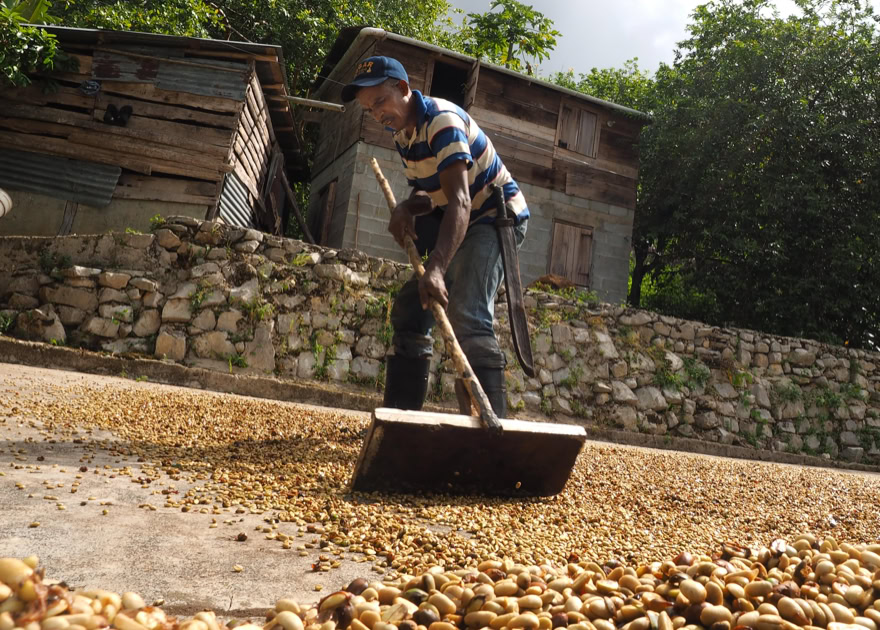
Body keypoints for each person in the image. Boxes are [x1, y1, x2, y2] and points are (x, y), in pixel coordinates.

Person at [341, 56, 529, 418]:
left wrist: (438, 268)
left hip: (494, 217)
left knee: (467, 313)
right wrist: (407, 208)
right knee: (411, 309)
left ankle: (491, 434)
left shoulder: (442, 122)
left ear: (402, 88)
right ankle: (401, 420)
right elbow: (431, 195)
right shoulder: (403, 135)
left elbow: (461, 200)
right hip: (458, 218)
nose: (377, 114)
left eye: (380, 102)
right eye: (369, 109)